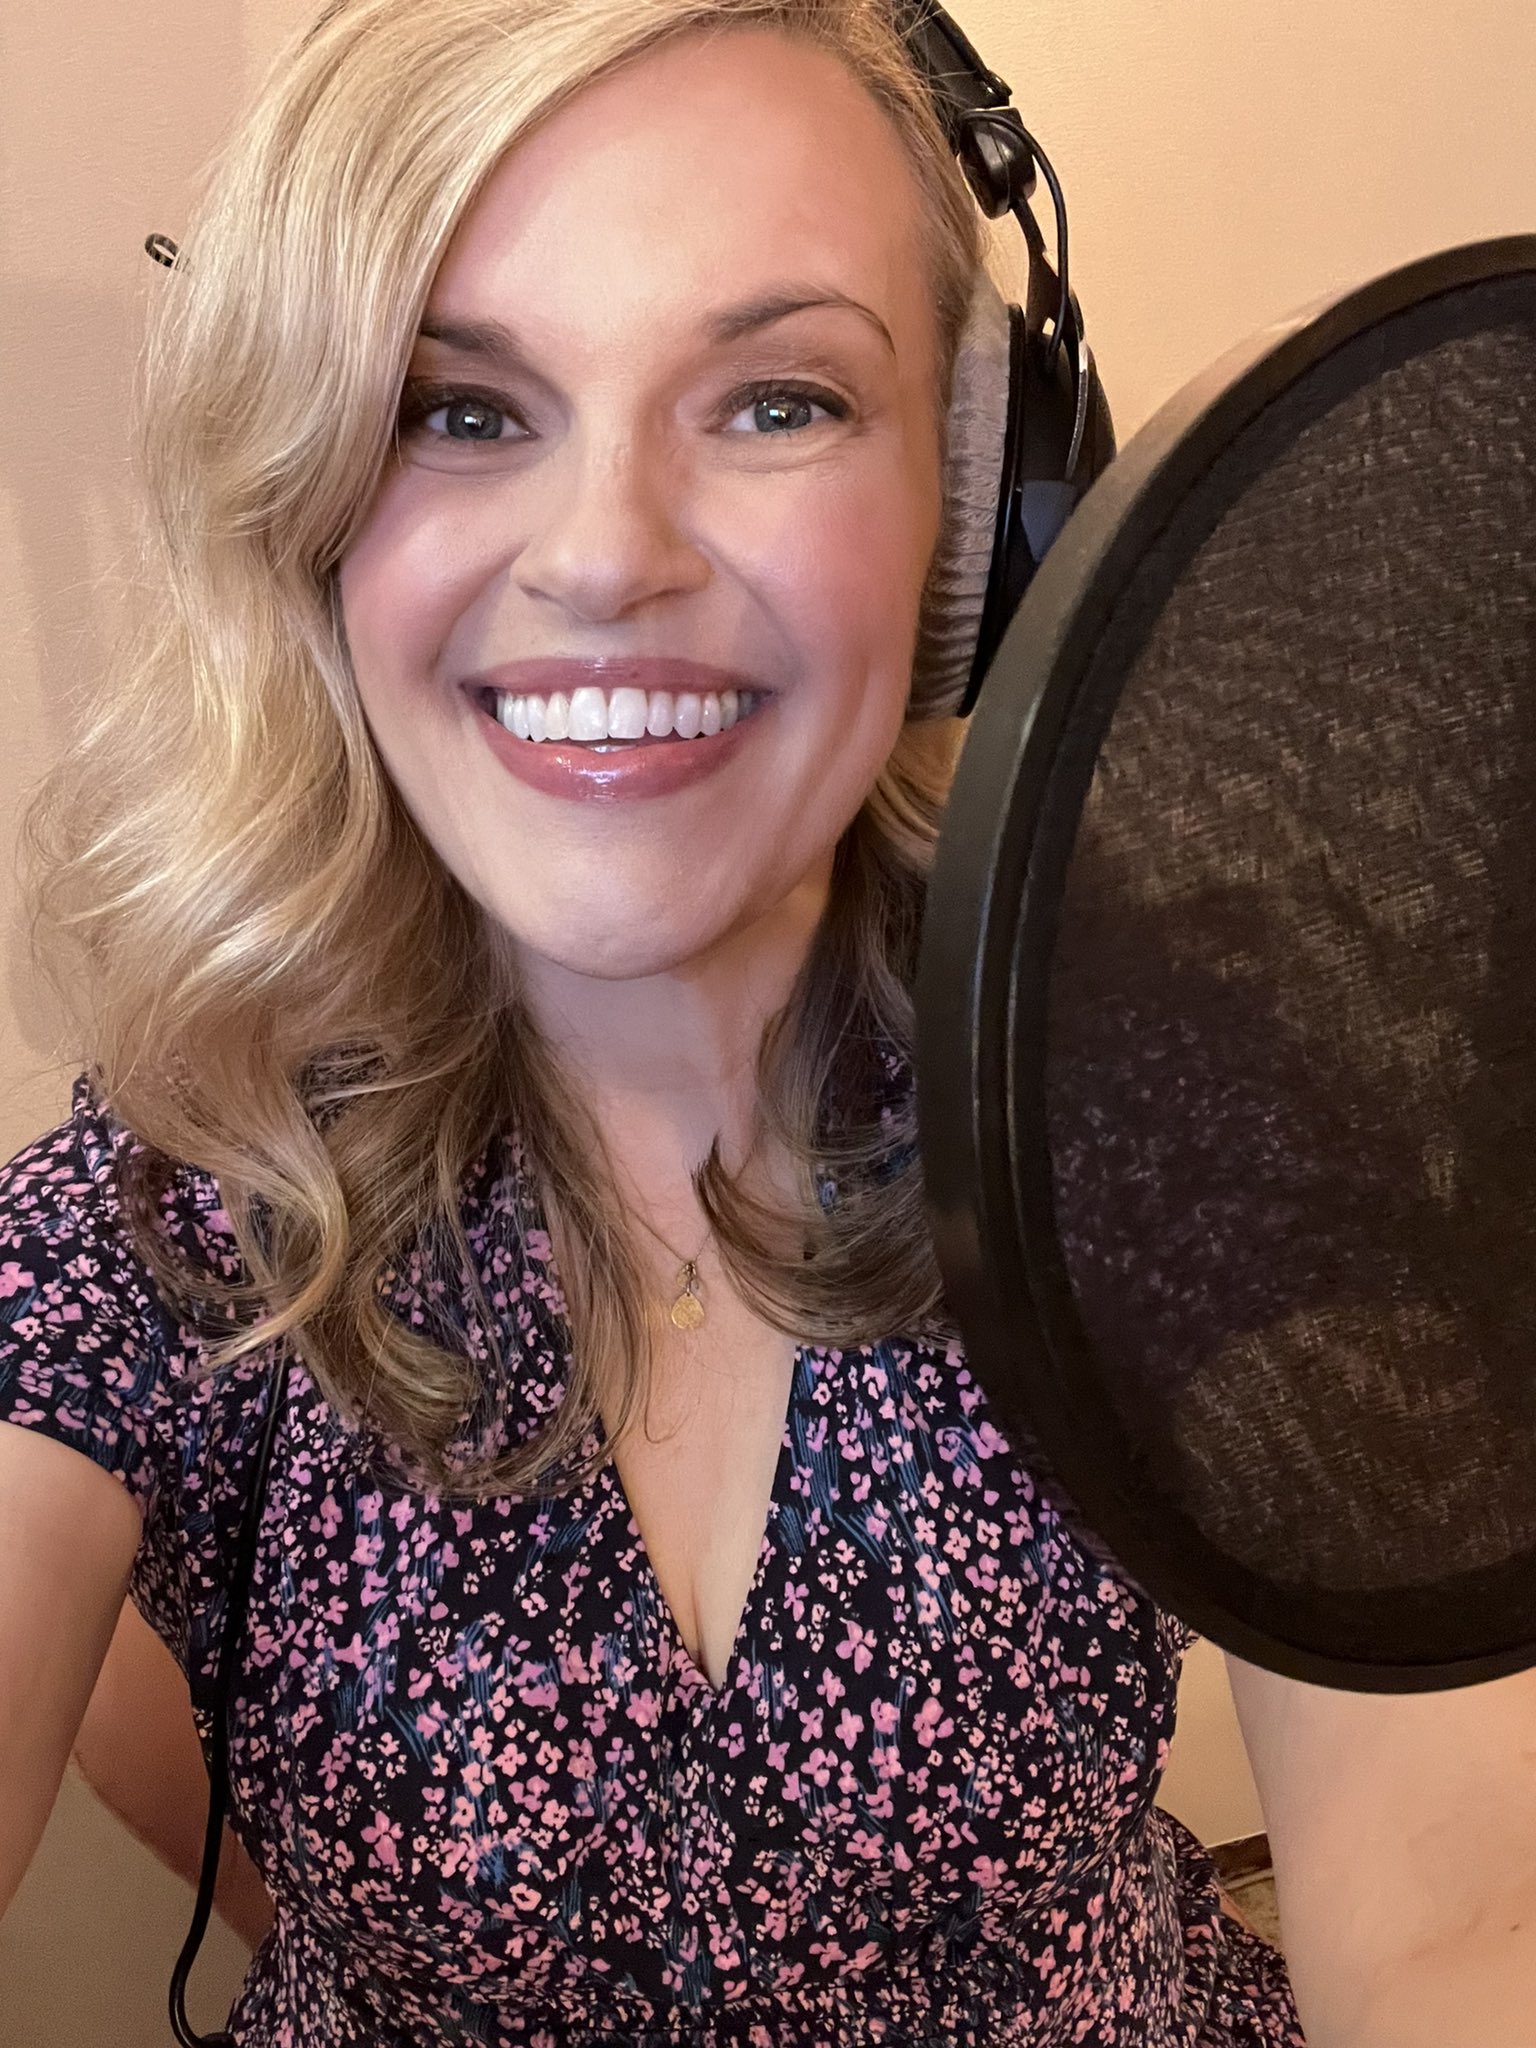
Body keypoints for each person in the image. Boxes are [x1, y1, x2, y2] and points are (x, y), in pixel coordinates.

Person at [6, 3, 1533, 2044]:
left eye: (778, 400)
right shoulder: (164, 1210)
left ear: (972, 508)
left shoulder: (1187, 1105)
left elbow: (1459, 1926)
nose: (605, 557)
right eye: (461, 408)